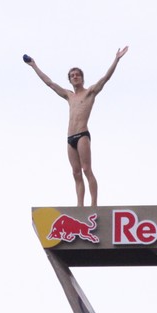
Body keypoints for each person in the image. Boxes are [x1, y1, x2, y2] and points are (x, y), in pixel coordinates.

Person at [26, 47, 129, 207]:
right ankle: (80, 206)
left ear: (82, 78)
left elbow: (105, 78)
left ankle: (94, 204)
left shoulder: (90, 92)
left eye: (77, 75)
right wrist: (34, 66)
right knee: (76, 173)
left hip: (82, 135)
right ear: (70, 80)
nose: (75, 77)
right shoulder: (69, 95)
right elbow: (50, 83)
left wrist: (116, 59)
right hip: (70, 137)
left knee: (86, 169)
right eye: (72, 76)